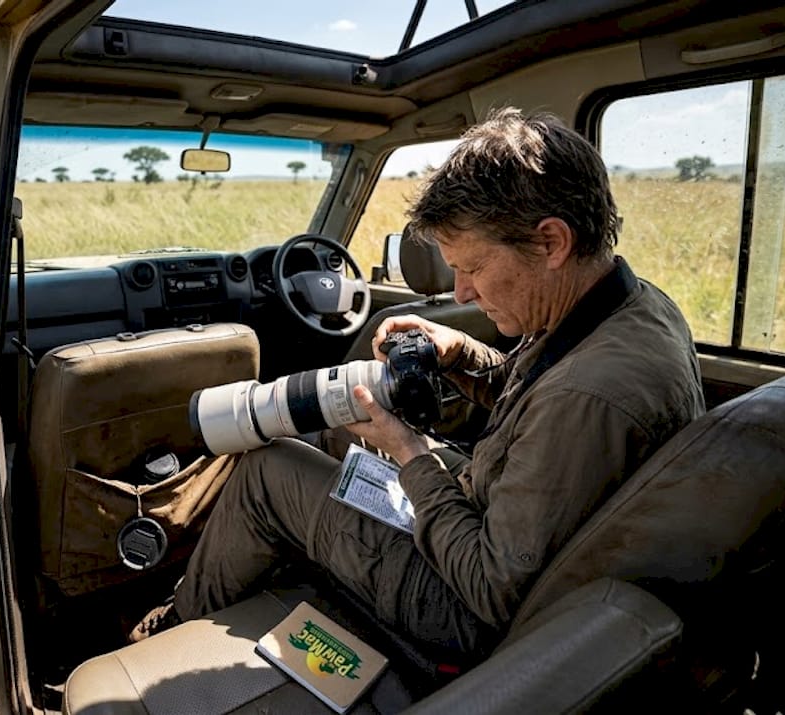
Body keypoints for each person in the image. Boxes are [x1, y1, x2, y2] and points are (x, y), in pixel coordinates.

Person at [130, 108, 705, 657]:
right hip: (493, 516)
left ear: (551, 242)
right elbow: (530, 399)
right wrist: (458, 353)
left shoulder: (588, 396)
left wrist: (409, 454)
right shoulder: (627, 307)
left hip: (465, 609)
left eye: (473, 268)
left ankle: (175, 622)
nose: (461, 292)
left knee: (268, 470)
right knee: (332, 428)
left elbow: (490, 589)